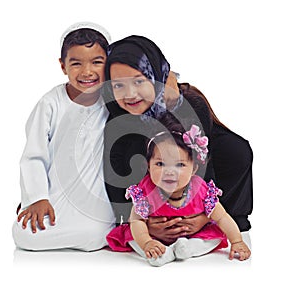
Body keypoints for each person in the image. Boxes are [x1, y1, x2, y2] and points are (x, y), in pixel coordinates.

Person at [103, 35, 253, 247]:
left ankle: (224, 219)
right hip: (150, 196)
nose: (130, 94)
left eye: (139, 81)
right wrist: (141, 224)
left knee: (235, 151)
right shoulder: (117, 121)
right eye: (118, 86)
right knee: (135, 146)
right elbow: (114, 176)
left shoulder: (186, 103)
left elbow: (201, 166)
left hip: (195, 179)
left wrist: (204, 216)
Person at [12, 22, 117, 251]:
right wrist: (38, 197)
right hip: (57, 190)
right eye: (76, 63)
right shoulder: (51, 103)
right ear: (63, 66)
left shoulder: (112, 100)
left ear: (108, 63)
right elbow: (33, 157)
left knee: (97, 233)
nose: (87, 72)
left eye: (96, 62)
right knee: (24, 235)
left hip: (94, 193)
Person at [106, 113, 251, 266]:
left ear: (194, 169)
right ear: (148, 166)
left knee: (213, 237)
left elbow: (222, 217)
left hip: (193, 234)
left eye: (180, 165)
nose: (169, 172)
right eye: (160, 164)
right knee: (133, 237)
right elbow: (136, 221)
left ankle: (188, 248)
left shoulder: (200, 189)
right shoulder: (146, 191)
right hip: (153, 236)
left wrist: (237, 241)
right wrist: (147, 241)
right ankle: (155, 252)